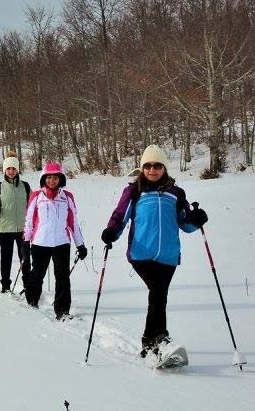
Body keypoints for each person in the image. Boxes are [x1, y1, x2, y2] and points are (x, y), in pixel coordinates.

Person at [102, 145, 207, 357]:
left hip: (168, 255)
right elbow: (120, 216)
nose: (152, 170)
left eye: (157, 166)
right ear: (142, 168)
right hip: (141, 254)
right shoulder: (134, 191)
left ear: (164, 168)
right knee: (158, 295)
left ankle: (153, 343)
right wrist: (112, 231)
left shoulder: (176, 193)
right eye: (148, 166)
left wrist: (197, 219)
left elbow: (185, 224)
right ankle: (158, 340)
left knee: (159, 297)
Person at [23, 162, 87, 319]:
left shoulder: (67, 197)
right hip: (40, 243)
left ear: (61, 179)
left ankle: (62, 311)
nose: (52, 181)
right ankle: (32, 302)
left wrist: (80, 244)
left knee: (63, 278)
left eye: (55, 178)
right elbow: (29, 222)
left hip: (62, 243)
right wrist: (25, 241)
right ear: (43, 179)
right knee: (37, 275)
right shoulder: (36, 197)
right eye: (49, 177)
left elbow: (73, 223)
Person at [0, 155, 31, 293]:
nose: (11, 171)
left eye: (14, 168)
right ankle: (5, 285)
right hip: (4, 229)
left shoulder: (25, 186)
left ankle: (27, 285)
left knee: (25, 257)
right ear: (4, 170)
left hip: (23, 229)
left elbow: (32, 206)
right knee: (6, 258)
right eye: (8, 169)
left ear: (17, 170)